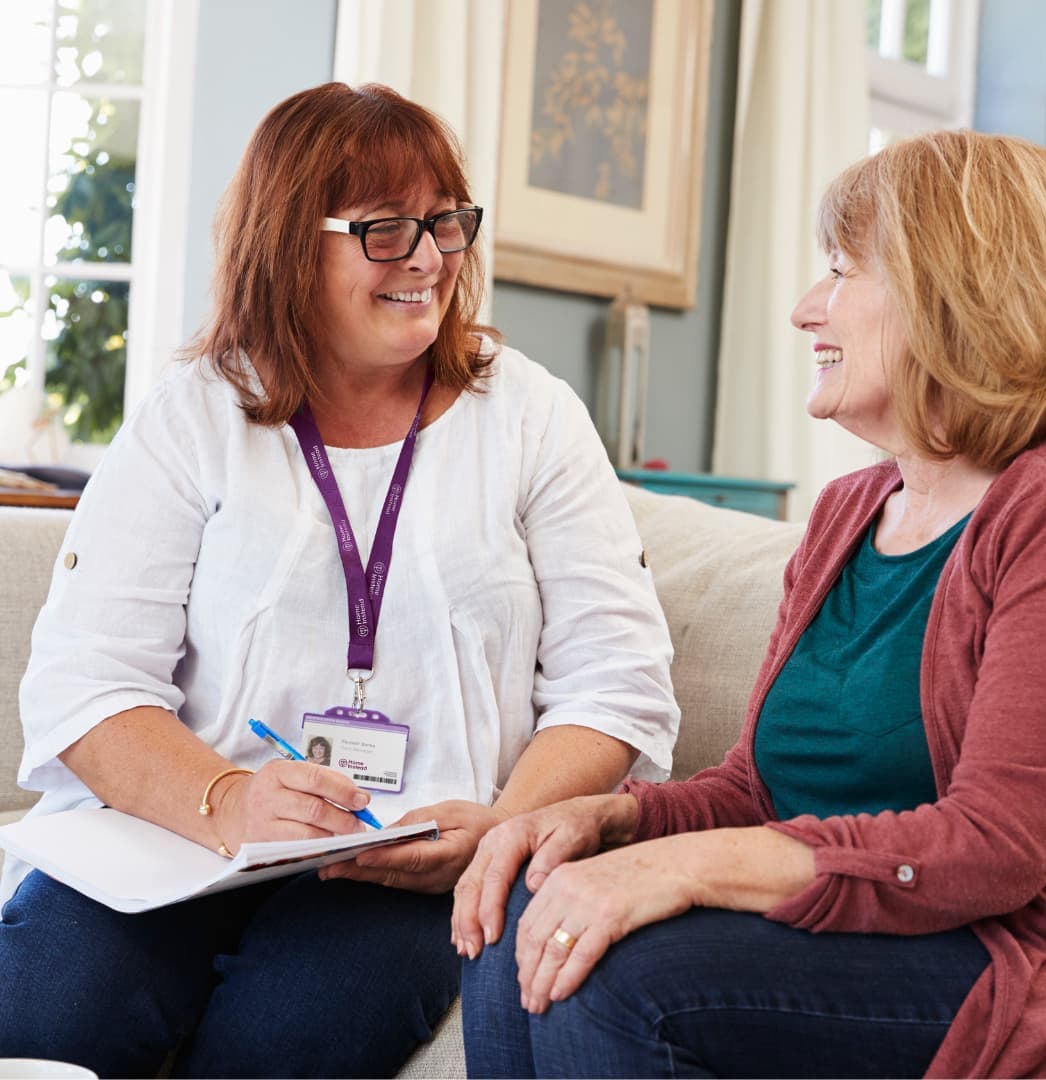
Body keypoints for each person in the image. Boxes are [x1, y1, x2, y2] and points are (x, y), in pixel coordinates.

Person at [453, 129, 1046, 1078]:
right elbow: (758, 792)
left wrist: (679, 871)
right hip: (872, 933)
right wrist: (615, 823)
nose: (809, 308)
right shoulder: (853, 509)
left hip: (1022, 955)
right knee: (517, 910)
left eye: (843, 272)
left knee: (615, 984)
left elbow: (995, 848)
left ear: (958, 294)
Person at [0, 82, 678, 1078]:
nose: (431, 258)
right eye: (386, 229)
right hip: (183, 843)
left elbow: (617, 683)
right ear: (285, 244)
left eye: (446, 223)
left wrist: (497, 828)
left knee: (284, 1042)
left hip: (413, 873)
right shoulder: (195, 416)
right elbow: (86, 682)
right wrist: (228, 798)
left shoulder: (530, 417)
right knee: (39, 1014)